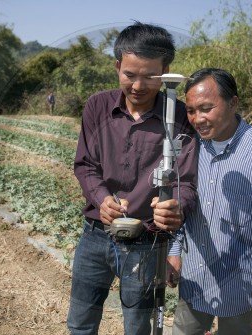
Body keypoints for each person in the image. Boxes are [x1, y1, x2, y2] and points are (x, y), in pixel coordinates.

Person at [69, 22, 198, 335]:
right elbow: (85, 164)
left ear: (166, 70)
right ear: (117, 66)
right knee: (80, 322)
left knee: (138, 326)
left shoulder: (179, 117)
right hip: (95, 236)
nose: (139, 85)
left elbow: (188, 182)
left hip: (147, 243)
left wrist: (176, 206)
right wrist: (102, 199)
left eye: (150, 76)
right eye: (130, 74)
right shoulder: (97, 107)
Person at [169, 68, 252, 335]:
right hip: (194, 280)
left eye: (206, 108)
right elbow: (178, 204)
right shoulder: (188, 147)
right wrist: (173, 250)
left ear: (233, 103)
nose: (198, 119)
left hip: (241, 287)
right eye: (191, 110)